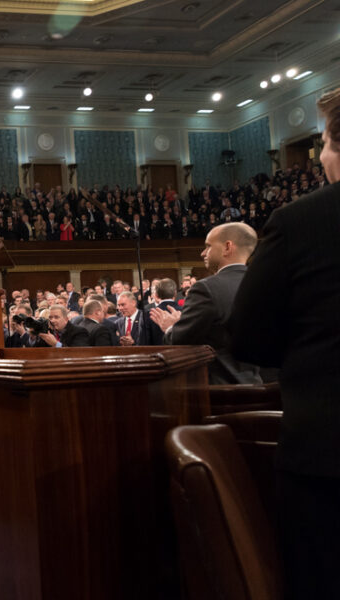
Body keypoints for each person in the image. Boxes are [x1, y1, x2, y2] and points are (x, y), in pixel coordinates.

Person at [229, 87, 340, 600]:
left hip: (328, 455)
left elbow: (249, 334)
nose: (319, 155)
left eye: (323, 143)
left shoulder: (300, 220)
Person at [150, 223, 260, 384]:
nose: (203, 253)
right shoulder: (267, 284)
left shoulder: (207, 288)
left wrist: (171, 327)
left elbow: (180, 341)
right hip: (261, 387)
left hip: (218, 392)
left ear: (227, 247)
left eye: (208, 246)